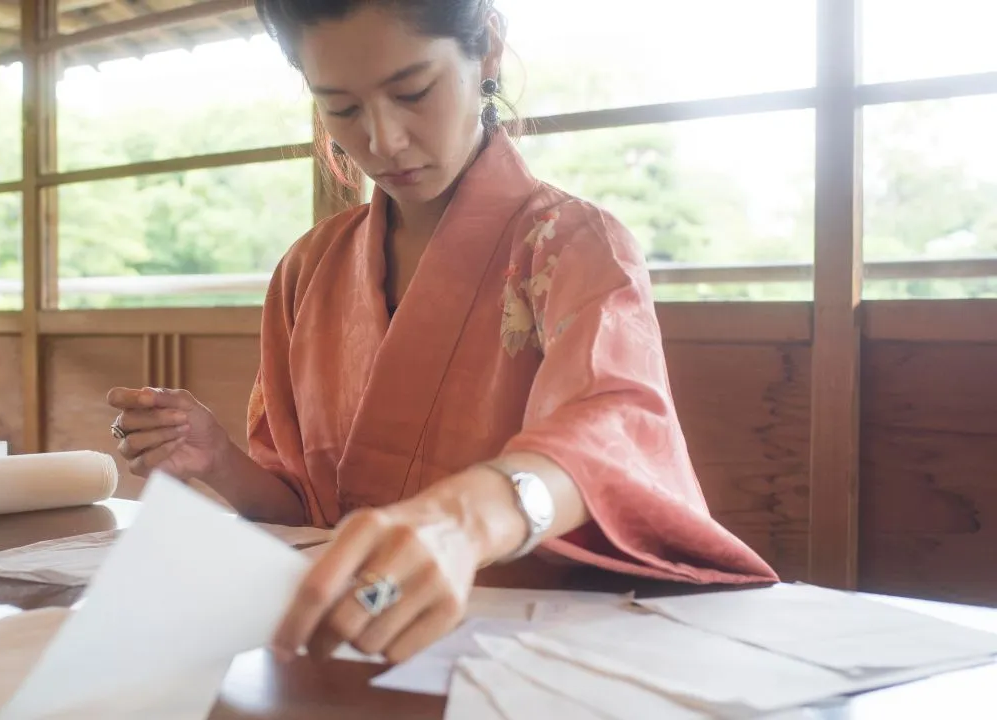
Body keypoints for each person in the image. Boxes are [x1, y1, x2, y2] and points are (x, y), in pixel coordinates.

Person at [107, 0, 778, 666]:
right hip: (342, 650)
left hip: (526, 658)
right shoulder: (308, 270)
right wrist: (218, 459)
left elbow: (615, 429)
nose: (383, 139)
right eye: (341, 108)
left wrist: (461, 523)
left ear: (486, 47)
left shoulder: (570, 245)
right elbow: (308, 511)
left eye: (412, 91)